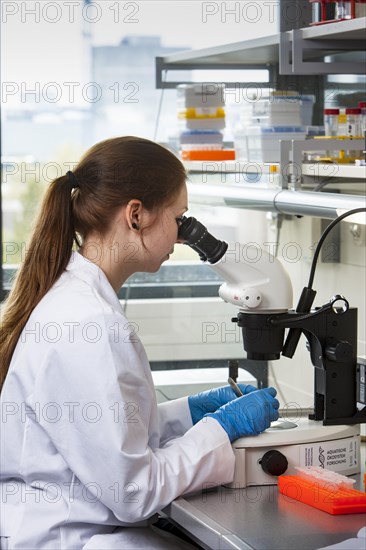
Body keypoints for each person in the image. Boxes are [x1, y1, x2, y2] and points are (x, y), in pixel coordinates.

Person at [0, 136, 279, 550]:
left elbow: (100, 435)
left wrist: (184, 414)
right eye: (178, 218)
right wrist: (221, 428)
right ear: (135, 215)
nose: (181, 237)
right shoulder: (89, 325)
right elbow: (134, 492)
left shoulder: (74, 300)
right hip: (73, 538)